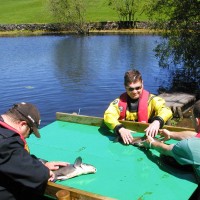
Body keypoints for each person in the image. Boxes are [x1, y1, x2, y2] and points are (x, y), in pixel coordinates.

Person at [0, 102, 68, 200]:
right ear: (22, 124)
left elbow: (14, 160)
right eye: (30, 131)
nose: (28, 136)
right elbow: (37, 176)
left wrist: (41, 164)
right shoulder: (6, 143)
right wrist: (45, 172)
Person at [104, 69, 172, 144]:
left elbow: (166, 110)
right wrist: (120, 129)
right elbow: (108, 115)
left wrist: (157, 121)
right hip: (125, 139)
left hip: (148, 139)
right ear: (125, 86)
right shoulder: (118, 102)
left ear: (142, 84)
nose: (134, 92)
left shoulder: (153, 100)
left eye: (138, 88)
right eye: (131, 89)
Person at [143, 100, 200, 184]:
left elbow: (165, 149)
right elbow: (195, 135)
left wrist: (151, 143)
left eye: (191, 118)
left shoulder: (189, 146)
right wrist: (170, 134)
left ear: (197, 121)